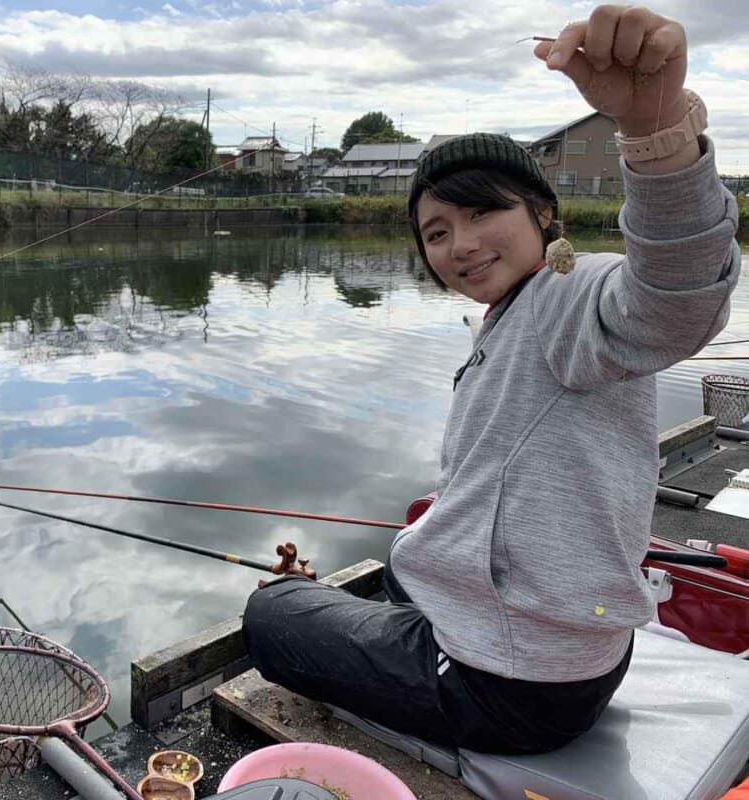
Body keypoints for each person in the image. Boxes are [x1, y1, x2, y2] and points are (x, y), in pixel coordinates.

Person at [243, 4, 740, 755]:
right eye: (436, 232)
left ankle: (342, 626)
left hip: (511, 688)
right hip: (576, 655)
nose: (460, 245)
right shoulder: (514, 310)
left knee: (271, 613)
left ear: (542, 212)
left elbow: (674, 298)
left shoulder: (572, 294)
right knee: (412, 554)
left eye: (481, 213)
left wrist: (657, 134)